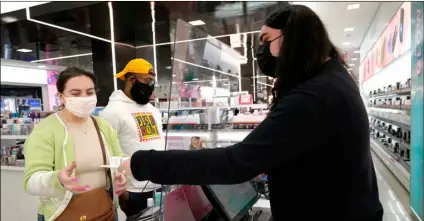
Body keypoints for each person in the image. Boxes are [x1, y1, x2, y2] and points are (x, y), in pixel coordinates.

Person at [119, 5, 383, 221]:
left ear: (293, 38)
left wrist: (142, 163)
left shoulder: (313, 96)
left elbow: (235, 164)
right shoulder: (331, 79)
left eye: (267, 40)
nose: (261, 52)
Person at [23, 67, 127, 221]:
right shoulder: (45, 131)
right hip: (62, 213)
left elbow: (119, 158)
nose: (84, 98)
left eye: (90, 92)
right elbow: (31, 181)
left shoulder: (103, 126)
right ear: (61, 96)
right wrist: (58, 178)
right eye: (76, 93)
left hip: (104, 209)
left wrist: (121, 174)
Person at [100, 58, 165, 217]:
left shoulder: (152, 109)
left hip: (159, 185)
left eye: (152, 82)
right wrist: (122, 194)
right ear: (131, 80)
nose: (151, 87)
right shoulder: (112, 112)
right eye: (148, 81)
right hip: (134, 189)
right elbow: (105, 153)